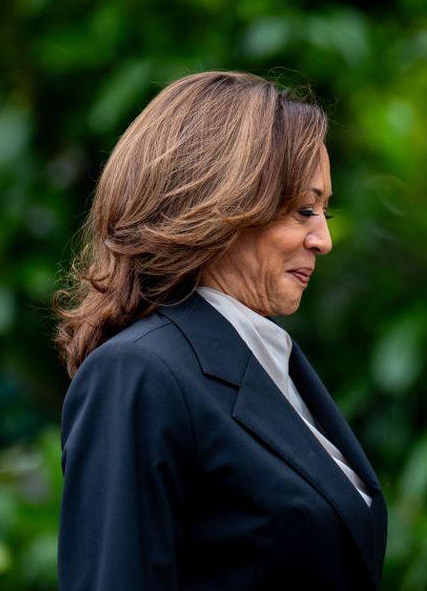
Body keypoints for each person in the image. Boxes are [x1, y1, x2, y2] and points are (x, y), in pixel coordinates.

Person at [52, 71, 387, 590]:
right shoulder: (137, 372)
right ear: (225, 202)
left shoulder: (269, 364)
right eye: (303, 209)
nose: (323, 238)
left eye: (323, 210)